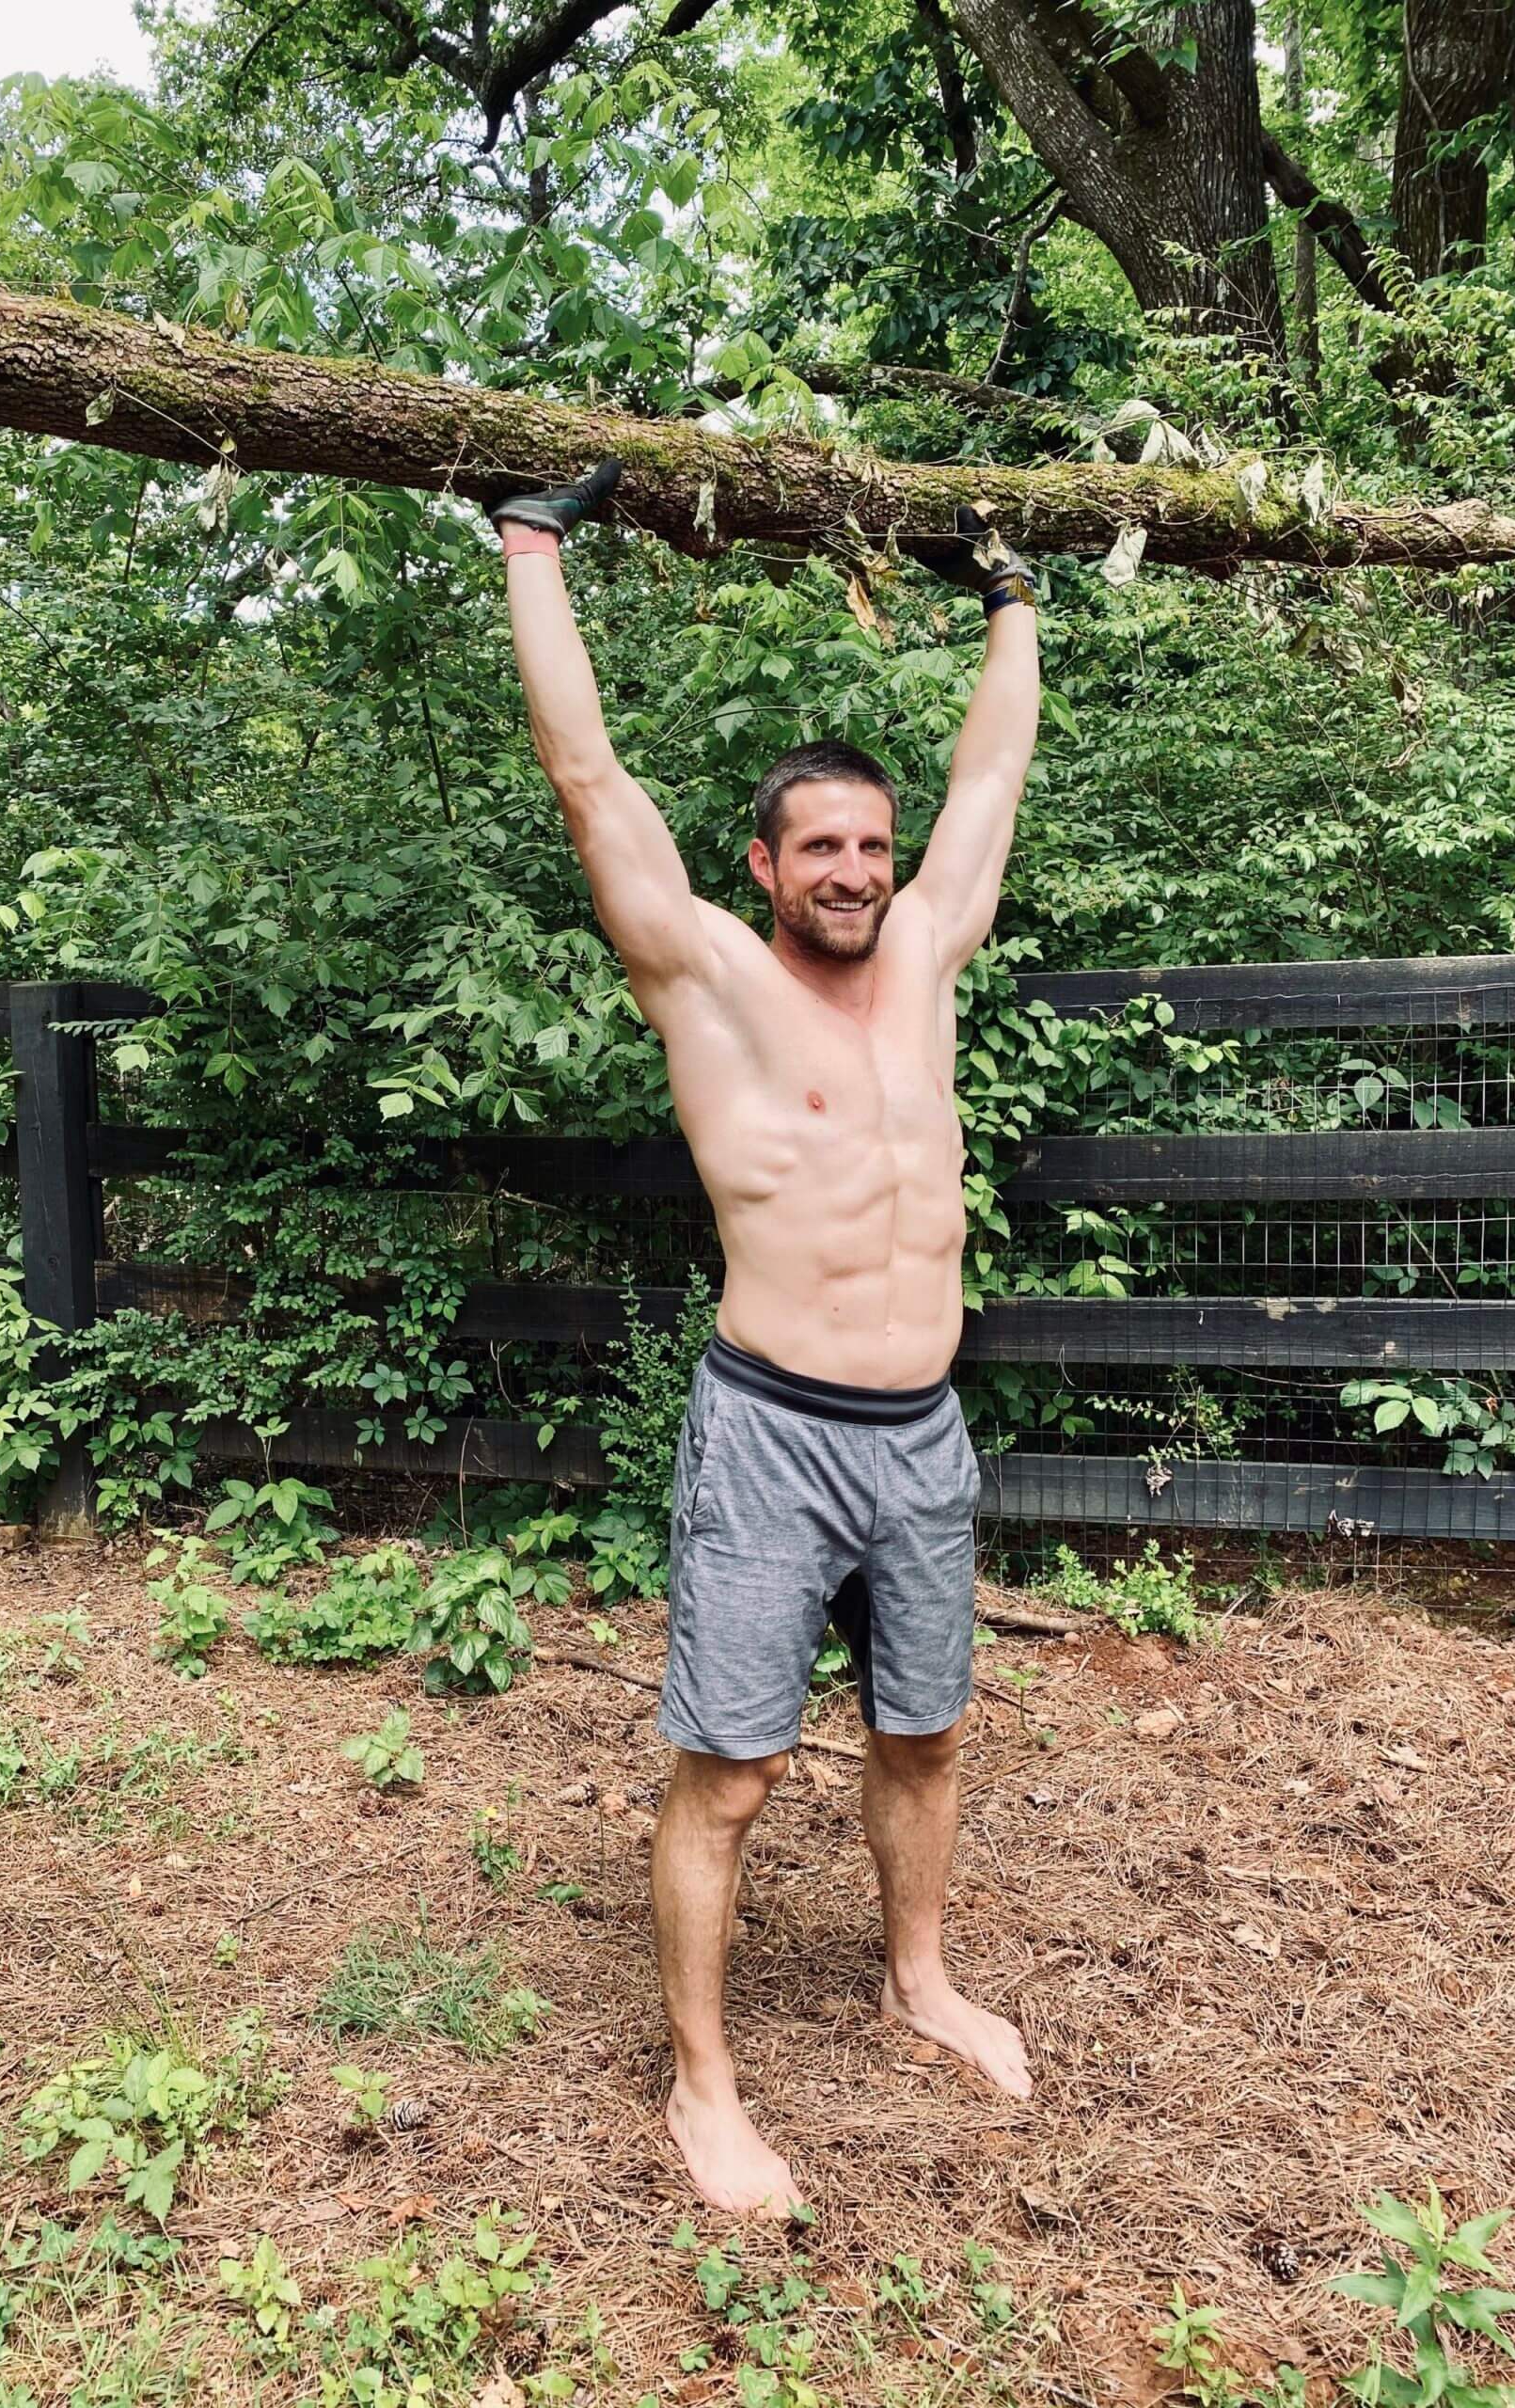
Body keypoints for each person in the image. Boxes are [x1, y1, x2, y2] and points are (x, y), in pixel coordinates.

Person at [492, 459, 1040, 2218]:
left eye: (873, 847)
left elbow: (993, 775)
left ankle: (920, 1976)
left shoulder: (934, 954)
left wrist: (1012, 594)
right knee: (732, 1771)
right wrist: (532, 542)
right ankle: (704, 2086)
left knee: (928, 1737)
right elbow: (589, 777)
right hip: (775, 1432)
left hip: (924, 1435)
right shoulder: (712, 981)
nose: (860, 872)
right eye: (824, 847)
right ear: (764, 864)